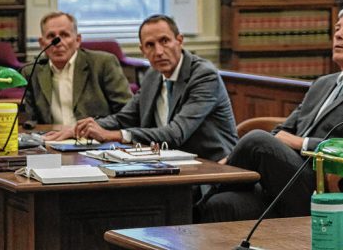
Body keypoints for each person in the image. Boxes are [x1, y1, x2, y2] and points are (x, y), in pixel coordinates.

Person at [196, 5, 343, 222]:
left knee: (257, 140)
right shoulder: (323, 84)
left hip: (331, 190)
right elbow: (283, 131)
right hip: (284, 182)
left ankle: (205, 189)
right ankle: (197, 206)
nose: (338, 34)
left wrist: (302, 143)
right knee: (219, 204)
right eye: (337, 29)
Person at [45, 14, 238, 162]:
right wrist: (80, 129)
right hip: (168, 162)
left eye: (164, 41)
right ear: (142, 50)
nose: (159, 51)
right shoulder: (153, 75)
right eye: (150, 45)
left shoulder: (204, 76)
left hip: (212, 168)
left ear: (179, 41)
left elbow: (176, 133)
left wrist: (116, 136)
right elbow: (124, 118)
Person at [23, 11, 132, 124]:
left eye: (64, 35)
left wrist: (98, 127)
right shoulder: (32, 71)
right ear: (42, 43)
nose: (58, 43)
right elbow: (31, 120)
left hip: (95, 133)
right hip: (51, 134)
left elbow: (127, 113)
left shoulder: (102, 64)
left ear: (78, 40)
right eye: (51, 36)